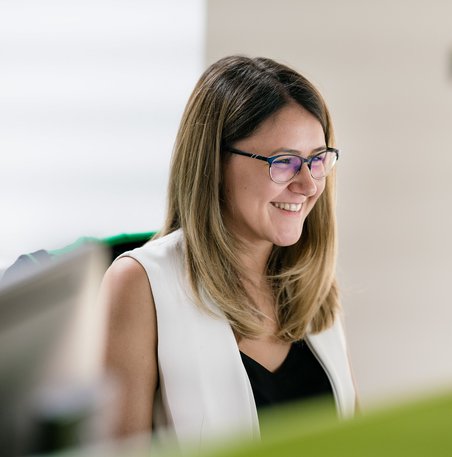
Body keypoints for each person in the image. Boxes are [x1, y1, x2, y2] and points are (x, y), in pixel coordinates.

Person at [98, 55, 357, 449]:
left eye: (317, 160)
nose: (307, 185)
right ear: (214, 163)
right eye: (284, 162)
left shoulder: (311, 279)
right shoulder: (141, 284)